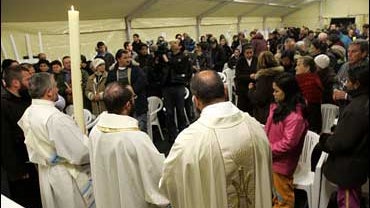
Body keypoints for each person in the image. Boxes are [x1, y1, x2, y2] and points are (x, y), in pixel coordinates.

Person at [159, 70, 273, 208]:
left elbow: (170, 185)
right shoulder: (255, 128)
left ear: (196, 101)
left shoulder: (189, 142)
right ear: (225, 92)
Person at [17, 72, 94, 208]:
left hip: (46, 170)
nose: (58, 89)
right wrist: (87, 140)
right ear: (49, 92)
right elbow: (80, 153)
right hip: (64, 174)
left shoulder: (29, 112)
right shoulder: (55, 118)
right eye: (55, 86)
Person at [88, 82, 169, 208]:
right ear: (127, 105)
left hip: (105, 197)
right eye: (133, 98)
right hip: (132, 199)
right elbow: (155, 173)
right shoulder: (136, 139)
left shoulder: (95, 131)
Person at [318, 65, 368, 208]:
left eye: (349, 81)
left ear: (357, 83)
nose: (346, 84)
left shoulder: (356, 109)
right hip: (357, 162)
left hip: (349, 165)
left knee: (347, 201)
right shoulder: (361, 102)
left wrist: (325, 140)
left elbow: (341, 142)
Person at [265, 72, 309, 208]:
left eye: (277, 91)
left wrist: (267, 149)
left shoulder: (295, 117)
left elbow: (289, 143)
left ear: (287, 92)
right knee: (276, 196)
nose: (274, 94)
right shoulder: (278, 107)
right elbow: (269, 129)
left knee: (283, 199)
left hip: (282, 164)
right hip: (273, 160)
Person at [1, 65, 41, 207]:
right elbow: (5, 141)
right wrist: (17, 171)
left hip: (34, 159)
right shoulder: (4, 105)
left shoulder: (26, 99)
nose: (31, 82)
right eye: (27, 79)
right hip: (20, 166)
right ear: (16, 83)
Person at [106, 49, 148, 132]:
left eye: (129, 57)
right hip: (120, 108)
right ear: (118, 59)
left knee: (140, 129)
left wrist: (131, 91)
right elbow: (109, 86)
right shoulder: (112, 73)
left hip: (138, 105)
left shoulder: (136, 69)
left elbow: (143, 81)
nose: (128, 60)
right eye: (125, 58)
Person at [248, 51, 284, 124]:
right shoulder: (281, 74)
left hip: (266, 114)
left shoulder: (263, 78)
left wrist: (251, 90)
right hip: (282, 111)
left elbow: (259, 99)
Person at [234, 45, 257, 114]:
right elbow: (238, 76)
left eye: (251, 52)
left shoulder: (257, 59)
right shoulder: (240, 61)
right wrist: (249, 76)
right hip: (243, 88)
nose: (249, 54)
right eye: (247, 53)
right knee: (243, 110)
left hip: (254, 86)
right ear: (244, 53)